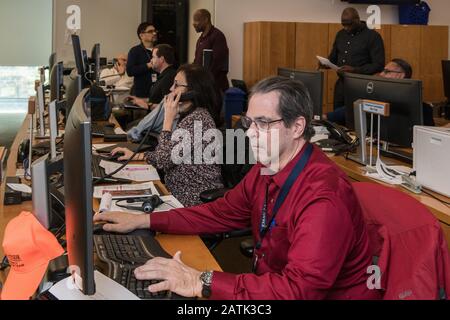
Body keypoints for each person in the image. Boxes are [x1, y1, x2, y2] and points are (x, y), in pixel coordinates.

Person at [95, 76, 381, 300]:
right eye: (248, 122)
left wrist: (201, 281)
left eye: (263, 123)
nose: (250, 133)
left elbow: (298, 291)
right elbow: (219, 213)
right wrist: (144, 220)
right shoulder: (266, 168)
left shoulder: (324, 198)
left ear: (297, 127)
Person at [111, 64, 224, 207]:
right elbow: (167, 155)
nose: (171, 89)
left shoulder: (197, 120)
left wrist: (167, 121)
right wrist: (136, 155)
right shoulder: (190, 116)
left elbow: (163, 161)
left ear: (193, 91)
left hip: (191, 202)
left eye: (176, 85)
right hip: (176, 195)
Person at [325, 58, 435, 126]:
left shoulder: (422, 109)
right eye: (383, 71)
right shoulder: (377, 97)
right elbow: (351, 109)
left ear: (401, 75)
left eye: (387, 71)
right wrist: (325, 117)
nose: (381, 74)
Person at [325, 7, 385, 110]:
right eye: (343, 24)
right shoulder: (340, 34)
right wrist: (326, 63)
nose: (346, 28)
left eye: (349, 24)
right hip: (342, 84)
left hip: (362, 86)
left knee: (355, 119)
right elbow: (333, 58)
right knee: (337, 119)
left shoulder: (372, 36)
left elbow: (379, 64)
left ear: (357, 20)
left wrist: (355, 70)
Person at [128, 44, 178, 114]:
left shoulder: (169, 77)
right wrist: (140, 100)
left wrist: (148, 106)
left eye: (153, 57)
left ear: (161, 59)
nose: (151, 60)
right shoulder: (163, 75)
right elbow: (157, 99)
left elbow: (168, 106)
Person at [193, 9, 230, 94]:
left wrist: (205, 81)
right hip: (204, 87)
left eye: (196, 20)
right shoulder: (200, 39)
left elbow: (218, 63)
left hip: (215, 88)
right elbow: (197, 61)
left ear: (206, 20)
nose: (193, 23)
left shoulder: (217, 36)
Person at [127, 22, 158, 98]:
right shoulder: (135, 51)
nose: (154, 33)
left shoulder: (159, 49)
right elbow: (130, 71)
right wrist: (148, 65)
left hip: (158, 92)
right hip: (142, 94)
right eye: (150, 31)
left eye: (155, 31)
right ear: (141, 35)